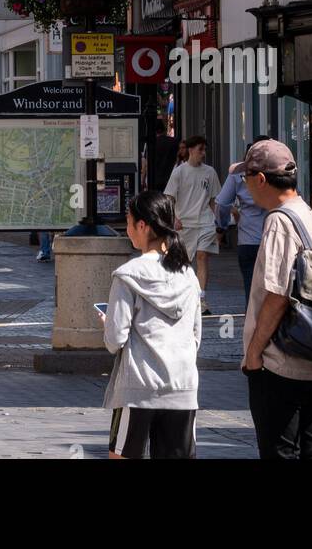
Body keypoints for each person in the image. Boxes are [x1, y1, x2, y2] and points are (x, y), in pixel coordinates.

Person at [237, 140, 312, 459]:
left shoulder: (279, 221)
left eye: (245, 176)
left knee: (280, 453)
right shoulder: (311, 217)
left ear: (260, 179)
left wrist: (254, 354)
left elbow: (277, 296)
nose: (244, 185)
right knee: (310, 452)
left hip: (280, 362)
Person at [101, 190, 202, 459]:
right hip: (182, 384)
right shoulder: (188, 275)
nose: (127, 229)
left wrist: (107, 321)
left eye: (129, 221)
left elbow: (115, 339)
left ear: (143, 226)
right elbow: (196, 335)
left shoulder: (128, 275)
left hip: (138, 386)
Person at [164, 136, 221, 313]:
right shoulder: (179, 172)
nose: (203, 153)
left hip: (205, 221)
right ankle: (185, 296)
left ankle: (202, 298)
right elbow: (169, 197)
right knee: (185, 263)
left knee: (202, 256)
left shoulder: (210, 172)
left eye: (204, 150)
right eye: (200, 149)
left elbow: (213, 199)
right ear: (190, 150)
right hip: (185, 224)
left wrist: (218, 222)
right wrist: (174, 218)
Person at [215, 145, 270, 303]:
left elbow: (222, 203)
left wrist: (222, 226)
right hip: (274, 239)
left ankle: (252, 325)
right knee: (276, 292)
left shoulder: (238, 174)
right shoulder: (277, 171)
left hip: (248, 240)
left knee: (251, 290)